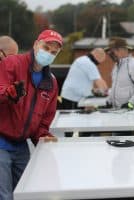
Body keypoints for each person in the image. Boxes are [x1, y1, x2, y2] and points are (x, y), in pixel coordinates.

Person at [0, 29, 62, 200]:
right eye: (46, 47)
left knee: (27, 193)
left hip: (22, 146)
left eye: (53, 52)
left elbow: (44, 120)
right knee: (4, 196)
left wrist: (44, 136)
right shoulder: (12, 63)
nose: (48, 53)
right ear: (36, 44)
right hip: (1, 142)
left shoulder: (51, 82)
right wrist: (8, 94)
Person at [105, 37, 134, 136]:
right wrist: (109, 100)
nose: (110, 54)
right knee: (116, 144)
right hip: (117, 114)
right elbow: (115, 87)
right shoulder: (116, 66)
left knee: (129, 147)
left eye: (112, 51)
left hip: (131, 116)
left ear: (120, 50)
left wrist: (131, 103)